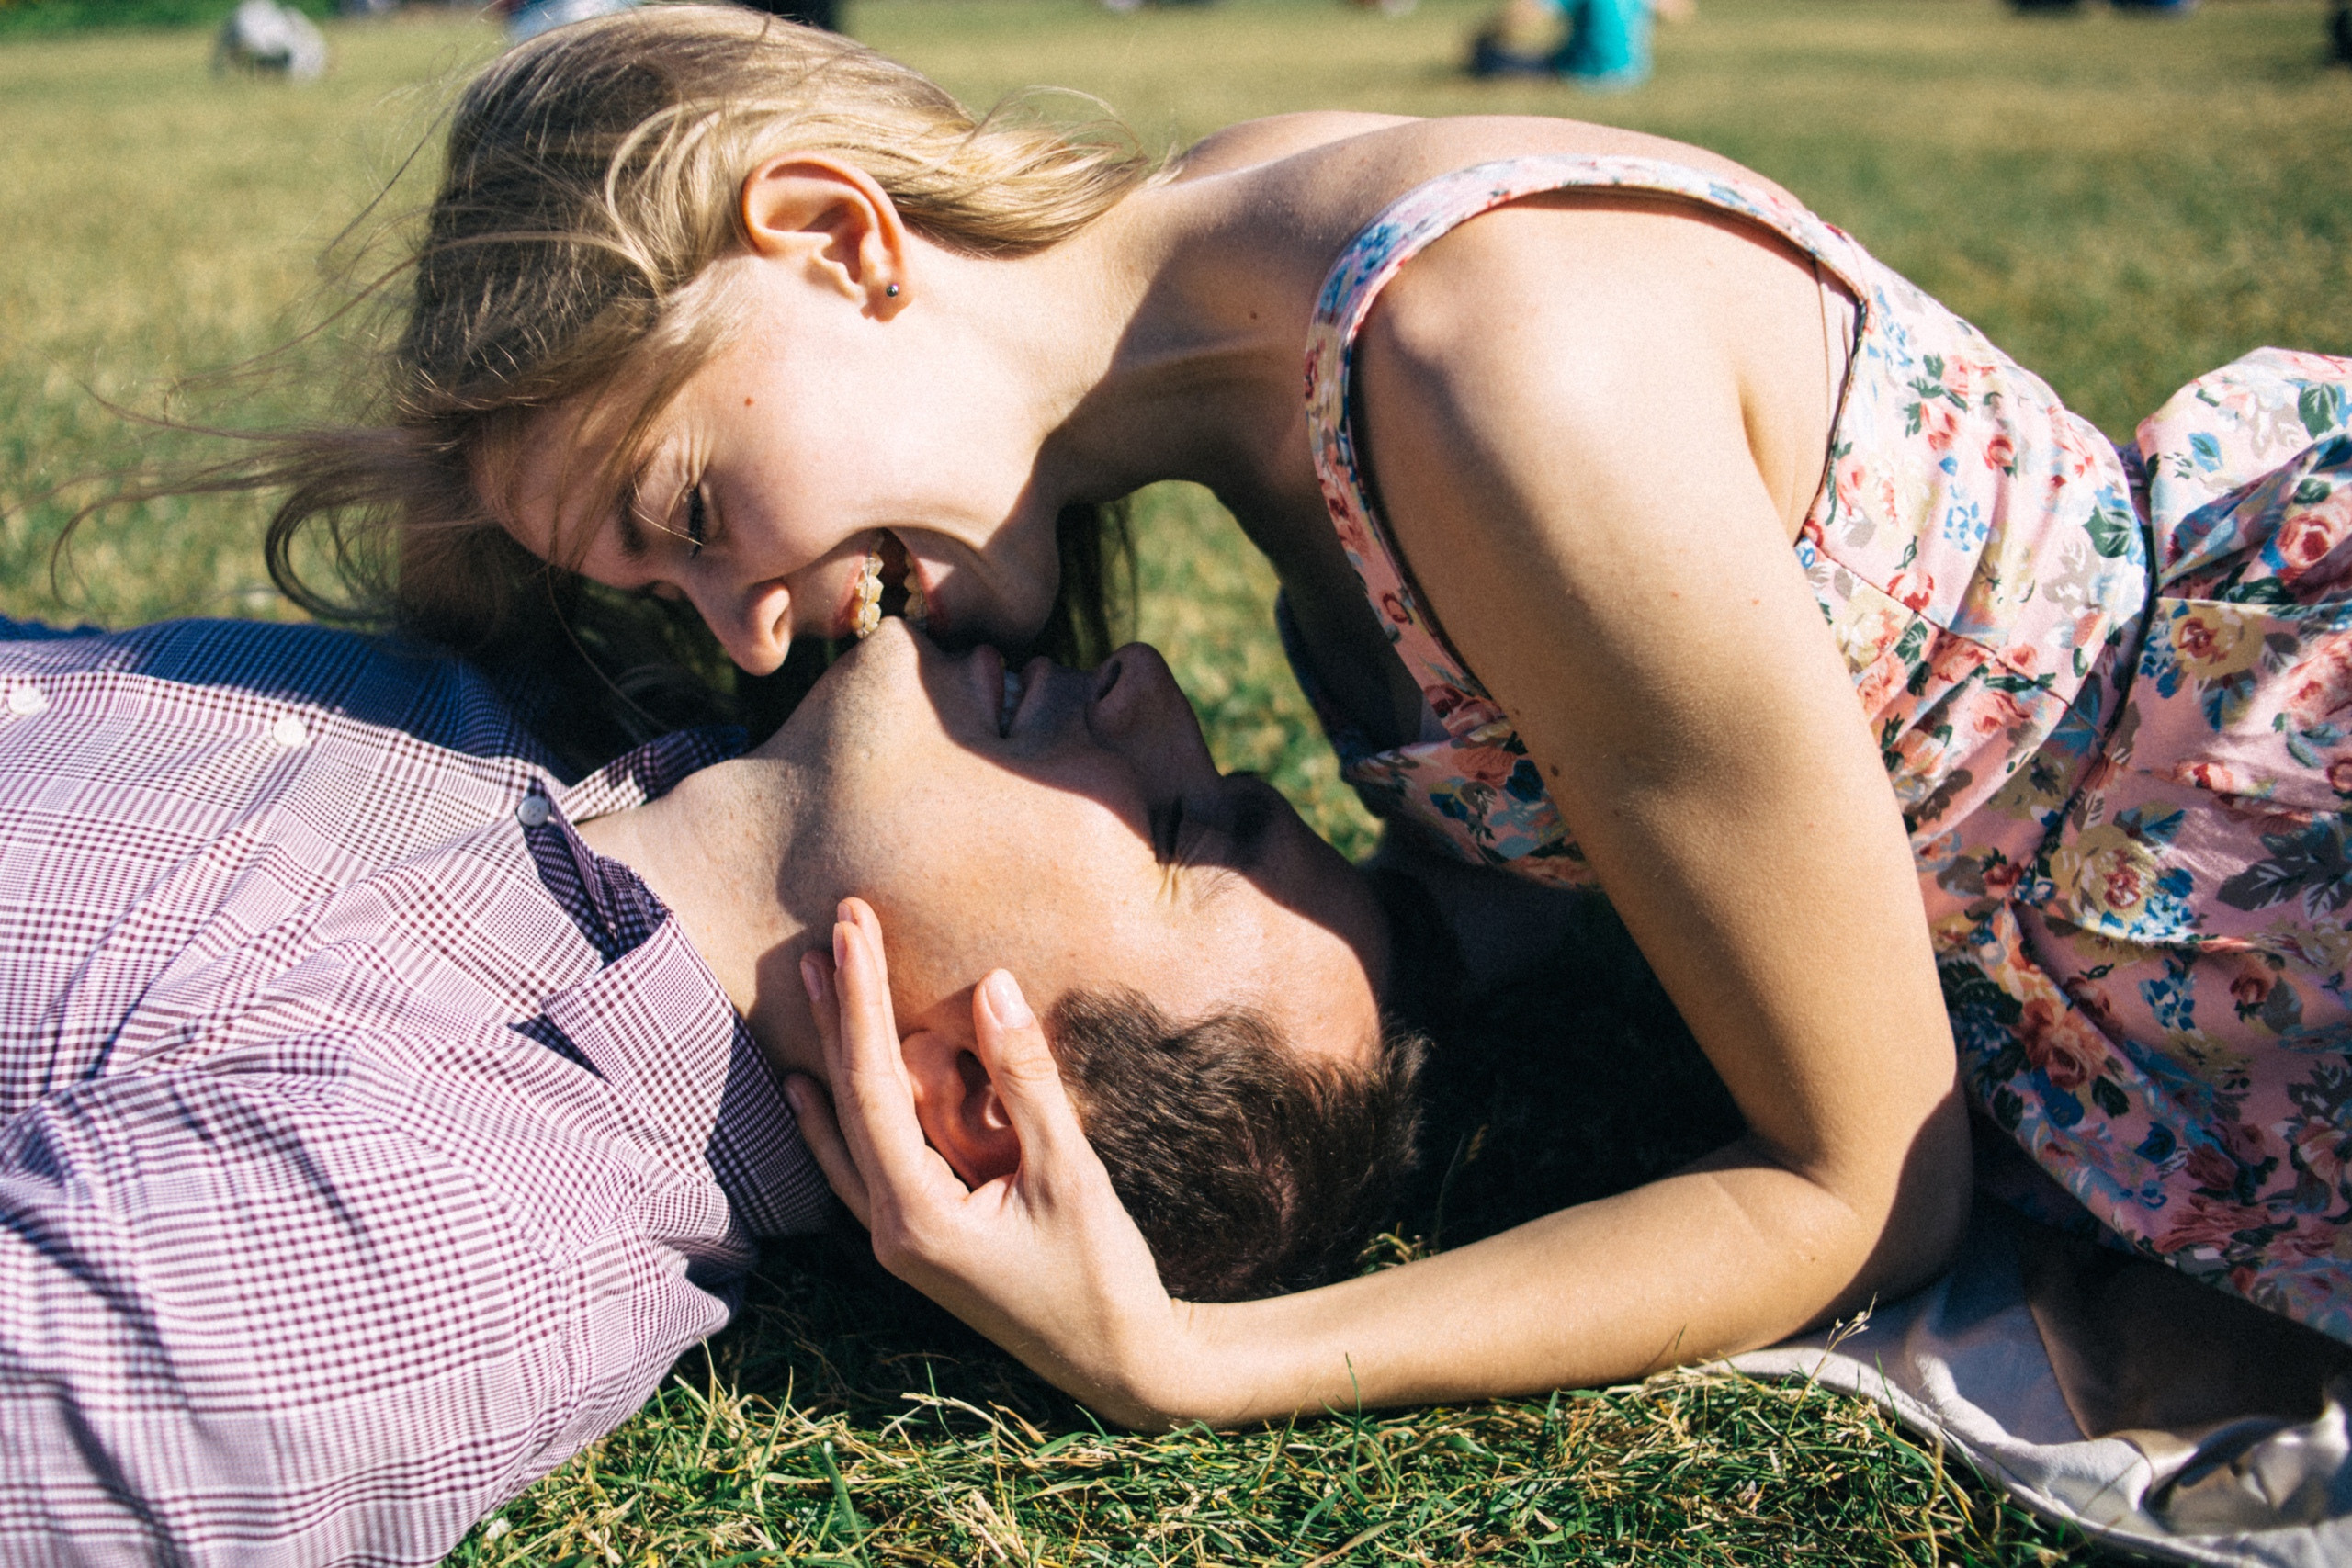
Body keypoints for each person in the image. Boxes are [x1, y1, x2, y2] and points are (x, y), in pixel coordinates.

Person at [241, 6, 2351, 1431]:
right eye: (676, 591)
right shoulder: (1255, 293)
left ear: (831, 235)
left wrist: (1195, 1354)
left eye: (693, 511)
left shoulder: (1480, 372)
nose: (755, 626)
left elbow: (1853, 1184)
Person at [0, 610, 1420, 1559]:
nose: (1148, 684)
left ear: (992, 1105)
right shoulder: (576, 685)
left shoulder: (439, 1223)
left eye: (1178, 825)